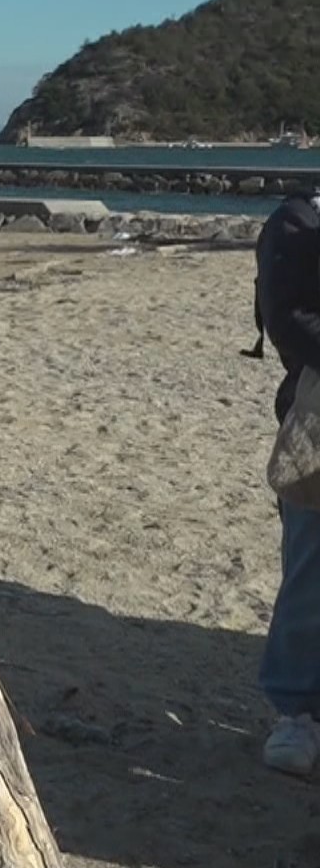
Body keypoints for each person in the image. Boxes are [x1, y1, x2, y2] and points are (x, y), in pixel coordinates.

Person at [254, 190, 320, 776]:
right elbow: (287, 319)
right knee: (310, 564)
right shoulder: (298, 221)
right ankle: (294, 711)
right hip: (315, 425)